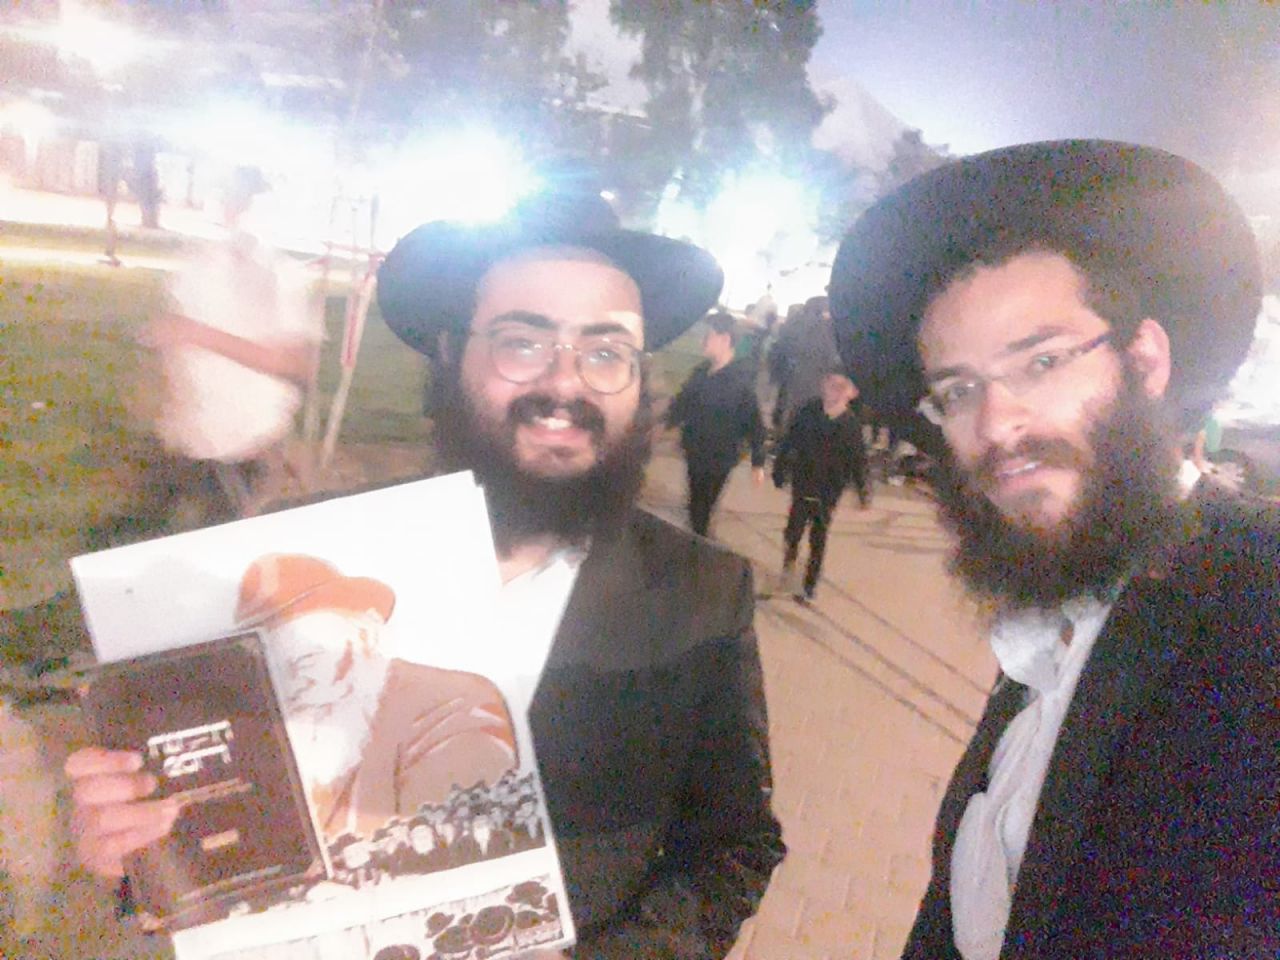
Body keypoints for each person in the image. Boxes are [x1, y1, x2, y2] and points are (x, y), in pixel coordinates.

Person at [64, 183, 785, 959]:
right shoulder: (296, 568)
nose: (564, 383)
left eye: (606, 352)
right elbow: (208, 818)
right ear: (449, 353)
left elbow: (734, 846)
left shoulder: (699, 595)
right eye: (522, 342)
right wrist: (133, 847)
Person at [828, 140, 1279, 959]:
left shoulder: (1258, 600)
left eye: (1040, 361)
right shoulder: (1056, 607)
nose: (997, 424)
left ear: (1144, 361)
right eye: (959, 390)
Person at [96, 166, 321, 545]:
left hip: (240, 444)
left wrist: (195, 334)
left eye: (240, 200)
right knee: (130, 538)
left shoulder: (279, 276)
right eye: (227, 198)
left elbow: (294, 362)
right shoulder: (200, 263)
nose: (231, 210)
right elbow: (172, 339)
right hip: (184, 436)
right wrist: (162, 396)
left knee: (214, 546)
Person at [235, 553, 519, 841]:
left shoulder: (456, 703)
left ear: (366, 633)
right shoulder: (272, 746)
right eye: (276, 669)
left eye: (308, 660)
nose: (295, 683)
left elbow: (439, 843)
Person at [771, 369, 869, 603]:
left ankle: (809, 584)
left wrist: (862, 490)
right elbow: (789, 441)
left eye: (841, 387)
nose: (835, 391)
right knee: (794, 528)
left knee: (818, 535)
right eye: (831, 385)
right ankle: (790, 555)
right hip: (803, 481)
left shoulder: (851, 425)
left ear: (851, 393)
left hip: (829, 489)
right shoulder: (808, 411)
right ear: (823, 385)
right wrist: (780, 468)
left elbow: (858, 460)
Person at [666, 311, 767, 536]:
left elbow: (755, 425)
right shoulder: (701, 372)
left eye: (709, 336)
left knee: (703, 506)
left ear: (725, 340)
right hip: (694, 451)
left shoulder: (739, 383)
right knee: (695, 503)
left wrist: (758, 463)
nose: (703, 341)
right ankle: (697, 538)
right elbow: (682, 404)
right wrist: (662, 424)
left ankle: (698, 542)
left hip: (719, 459)